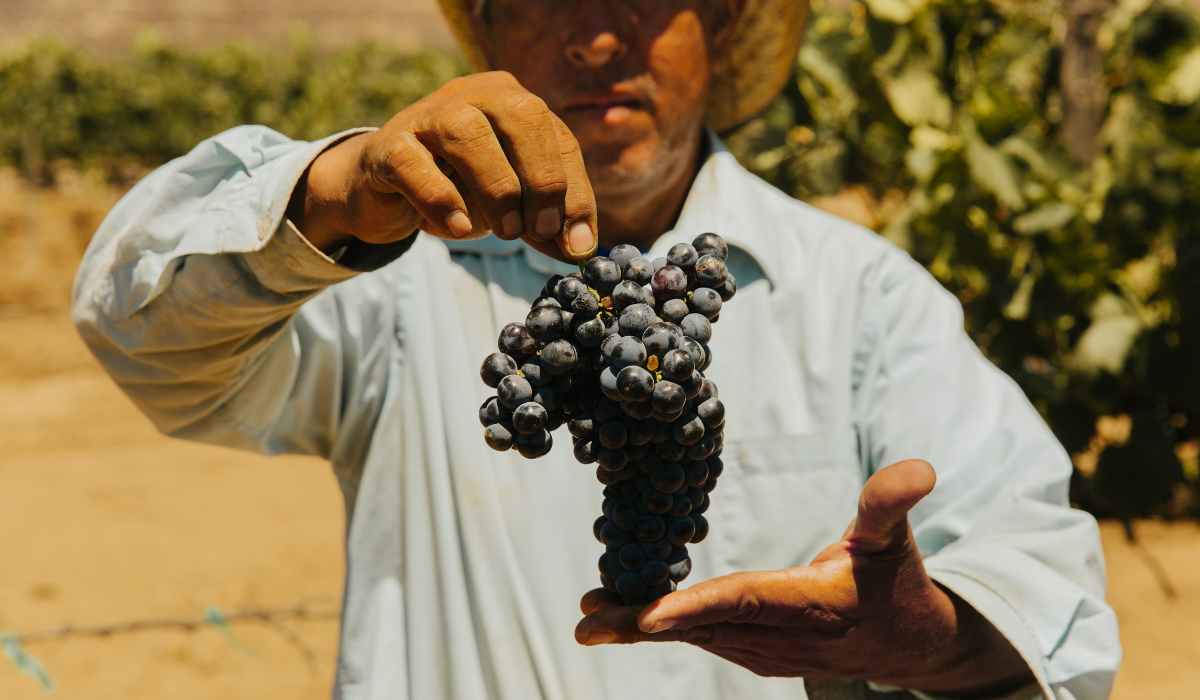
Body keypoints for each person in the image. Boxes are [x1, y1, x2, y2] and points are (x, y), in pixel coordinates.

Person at [72, 0, 1121, 698]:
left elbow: (1050, 594)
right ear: (486, 31)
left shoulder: (859, 292)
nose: (595, 37)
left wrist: (935, 634)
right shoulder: (393, 277)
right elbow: (143, 331)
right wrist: (343, 191)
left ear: (715, 22)